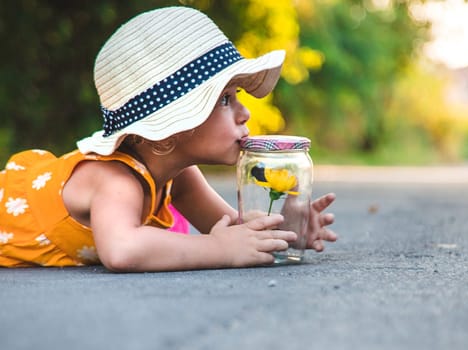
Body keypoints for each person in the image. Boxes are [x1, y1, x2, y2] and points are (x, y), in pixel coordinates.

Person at [0, 6, 336, 271]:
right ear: (164, 134)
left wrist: (287, 233)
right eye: (224, 99)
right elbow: (122, 250)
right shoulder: (114, 179)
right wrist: (218, 249)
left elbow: (231, 230)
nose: (244, 112)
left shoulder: (178, 173)